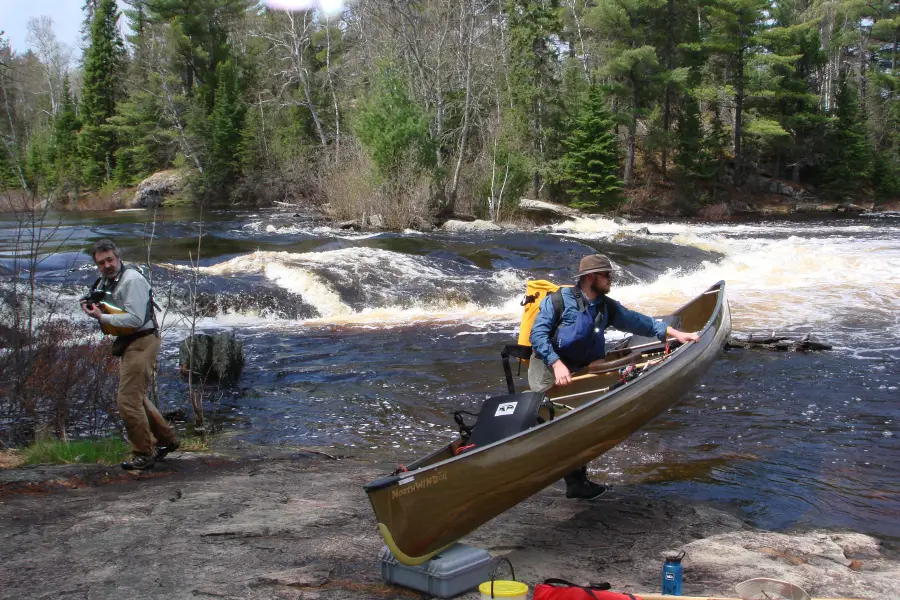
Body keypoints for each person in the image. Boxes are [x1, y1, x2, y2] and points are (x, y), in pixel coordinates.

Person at [529, 254, 699, 499]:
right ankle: (529, 468)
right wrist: (556, 364)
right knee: (555, 421)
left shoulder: (605, 306)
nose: (611, 279)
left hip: (579, 368)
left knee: (582, 424)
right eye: (607, 275)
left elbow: (638, 322)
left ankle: (577, 483)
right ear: (591, 277)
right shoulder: (557, 301)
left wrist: (675, 333)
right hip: (547, 367)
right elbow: (538, 336)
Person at [81, 239, 179, 471]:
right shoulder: (108, 280)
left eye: (110, 260)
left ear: (118, 257)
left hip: (143, 340)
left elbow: (135, 319)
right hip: (130, 341)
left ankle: (144, 453)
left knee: (127, 400)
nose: (106, 265)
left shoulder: (132, 280)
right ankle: (167, 441)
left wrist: (101, 318)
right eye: (101, 262)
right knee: (137, 397)